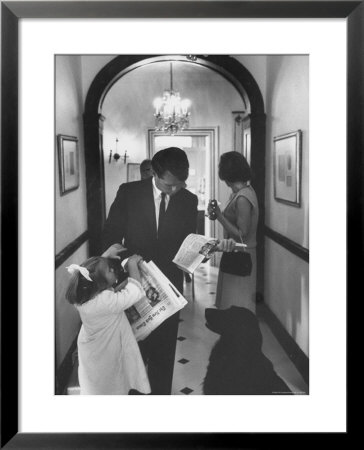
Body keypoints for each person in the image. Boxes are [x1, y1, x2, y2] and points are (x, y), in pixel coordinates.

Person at [102, 147, 198, 394]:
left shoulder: (189, 200)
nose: (175, 190)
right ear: (154, 174)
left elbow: (188, 243)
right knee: (134, 350)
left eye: (180, 185)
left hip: (170, 287)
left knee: (164, 353)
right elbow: (110, 237)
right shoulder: (129, 193)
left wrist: (202, 253)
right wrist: (129, 264)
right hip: (133, 283)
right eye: (169, 185)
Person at [65, 255, 151, 395]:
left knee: (96, 384)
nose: (113, 269)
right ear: (99, 282)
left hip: (92, 351)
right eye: (109, 270)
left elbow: (104, 288)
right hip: (107, 351)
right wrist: (132, 265)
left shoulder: (83, 297)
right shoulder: (105, 301)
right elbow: (135, 291)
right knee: (112, 384)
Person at [207, 151, 259, 313]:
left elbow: (242, 233)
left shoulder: (243, 197)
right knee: (231, 304)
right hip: (234, 251)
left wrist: (219, 216)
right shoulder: (240, 193)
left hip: (242, 255)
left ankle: (235, 335)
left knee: (237, 305)